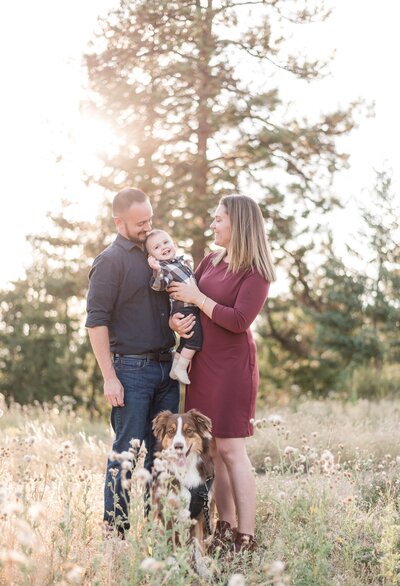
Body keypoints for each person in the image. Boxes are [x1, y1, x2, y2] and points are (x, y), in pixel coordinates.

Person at [168, 194, 276, 553]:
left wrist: (198, 300)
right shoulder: (210, 260)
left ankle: (247, 536)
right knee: (211, 451)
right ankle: (225, 528)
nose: (212, 225)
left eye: (218, 220)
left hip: (232, 368)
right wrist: (178, 320)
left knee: (232, 449)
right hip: (202, 365)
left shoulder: (256, 271)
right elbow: (188, 301)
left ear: (238, 225)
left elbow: (238, 320)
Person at [85, 187, 180, 537]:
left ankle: (158, 530)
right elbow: (96, 321)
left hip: (167, 370)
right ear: (119, 221)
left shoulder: (155, 253)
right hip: (130, 371)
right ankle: (116, 532)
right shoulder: (110, 261)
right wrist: (109, 377)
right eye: (141, 223)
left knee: (164, 453)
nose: (148, 227)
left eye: (150, 220)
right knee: (128, 452)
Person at [145, 228, 203, 385]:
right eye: (157, 247)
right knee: (195, 339)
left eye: (165, 242)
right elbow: (158, 285)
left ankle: (174, 367)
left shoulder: (181, 262)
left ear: (174, 244)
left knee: (185, 341)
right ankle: (181, 367)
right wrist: (156, 270)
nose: (163, 247)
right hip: (183, 308)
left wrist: (189, 267)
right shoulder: (164, 269)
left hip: (192, 305)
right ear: (152, 257)